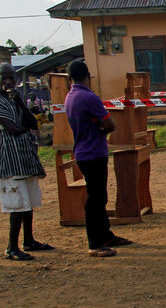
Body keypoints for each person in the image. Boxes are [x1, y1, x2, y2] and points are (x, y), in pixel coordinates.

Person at [63, 61, 133, 257]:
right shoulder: (89, 97)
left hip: (83, 151)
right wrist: (104, 129)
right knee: (96, 198)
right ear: (88, 76)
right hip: (94, 152)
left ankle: (105, 235)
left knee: (98, 196)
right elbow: (110, 124)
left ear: (70, 78)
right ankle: (95, 243)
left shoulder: (70, 97)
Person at [0, 63, 52, 260]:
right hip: (10, 159)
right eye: (3, 78)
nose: (7, 82)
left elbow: (31, 123)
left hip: (25, 158)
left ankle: (28, 240)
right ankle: (11, 247)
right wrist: (24, 127)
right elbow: (13, 128)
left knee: (29, 201)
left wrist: (21, 103)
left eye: (11, 78)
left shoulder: (15, 99)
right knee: (17, 203)